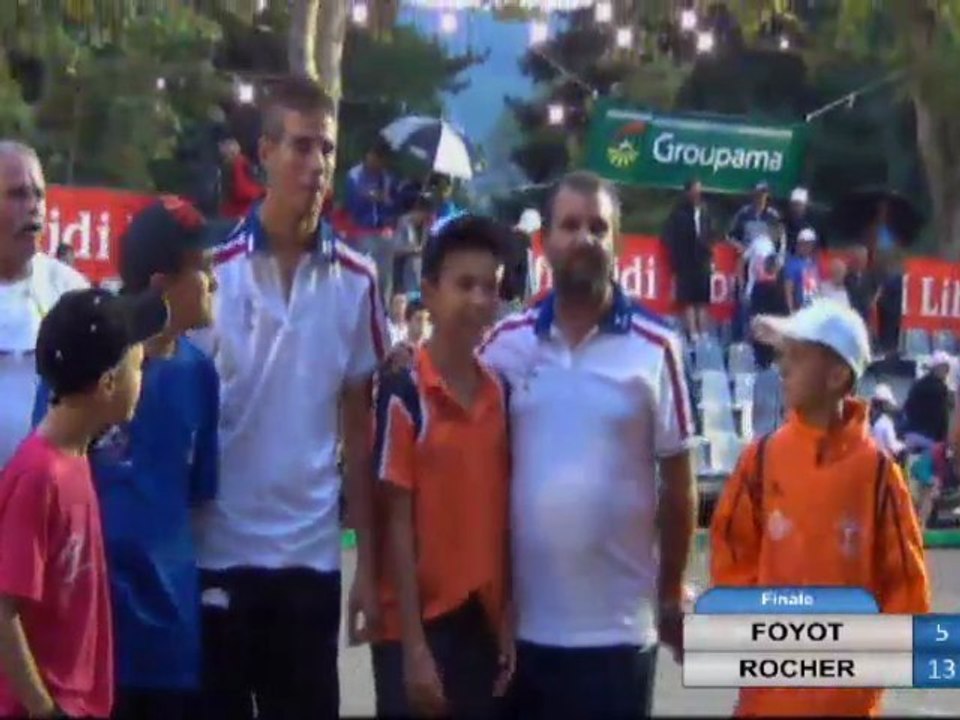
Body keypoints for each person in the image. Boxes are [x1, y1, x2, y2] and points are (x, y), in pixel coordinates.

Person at [196, 77, 388, 720]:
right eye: (301, 147)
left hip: (309, 560)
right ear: (265, 153)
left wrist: (367, 565)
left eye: (328, 149)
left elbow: (360, 433)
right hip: (217, 552)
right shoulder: (210, 274)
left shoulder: (358, 282)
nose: (317, 165)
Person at [481, 171, 697, 717]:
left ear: (617, 243)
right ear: (546, 241)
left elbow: (679, 485)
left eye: (599, 227)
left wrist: (670, 591)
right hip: (523, 632)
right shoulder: (505, 345)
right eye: (570, 225)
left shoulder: (658, 348)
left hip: (620, 633)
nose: (584, 239)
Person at [33, 199, 220, 720]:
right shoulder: (82, 370)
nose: (215, 283)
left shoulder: (200, 373)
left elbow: (199, 492)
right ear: (162, 286)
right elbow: (47, 480)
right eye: (204, 271)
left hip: (172, 642)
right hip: (89, 638)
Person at [711, 299, 931, 717]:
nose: (782, 367)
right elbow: (732, 559)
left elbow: (905, 586)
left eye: (796, 356)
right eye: (782, 355)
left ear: (836, 375)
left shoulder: (878, 474)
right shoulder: (760, 460)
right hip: (767, 701)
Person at [0, 287, 168, 719]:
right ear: (108, 383)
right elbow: (3, 608)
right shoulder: (39, 475)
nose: (143, 369)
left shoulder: (76, 457)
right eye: (136, 363)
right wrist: (43, 709)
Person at [371, 214, 513, 718]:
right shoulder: (405, 390)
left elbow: (503, 521)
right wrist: (412, 649)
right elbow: (397, 524)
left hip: (481, 626)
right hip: (417, 630)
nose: (479, 300)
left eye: (490, 287)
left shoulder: (502, 393)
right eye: (464, 285)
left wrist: (508, 626)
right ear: (429, 293)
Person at [0, 141, 88, 468]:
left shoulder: (69, 291)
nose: (34, 206)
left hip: (46, 501)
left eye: (39, 194)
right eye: (18, 194)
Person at [663, 178, 714, 341]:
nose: (697, 194)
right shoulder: (679, 213)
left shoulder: (705, 211)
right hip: (686, 261)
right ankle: (693, 334)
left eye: (699, 190)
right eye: (694, 191)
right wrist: (676, 259)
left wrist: (709, 251)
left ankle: (704, 334)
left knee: (703, 300)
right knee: (688, 300)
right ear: (687, 193)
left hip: (703, 261)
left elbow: (711, 233)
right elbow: (669, 236)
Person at [346, 139, 396, 300]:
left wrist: (387, 201)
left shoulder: (387, 179)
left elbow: (393, 204)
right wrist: (369, 196)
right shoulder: (355, 174)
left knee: (383, 277)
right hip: (362, 231)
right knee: (362, 275)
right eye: (375, 157)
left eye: (381, 160)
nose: (377, 162)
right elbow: (351, 200)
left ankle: (383, 310)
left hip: (383, 232)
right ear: (369, 155)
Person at [902, 351, 953, 453]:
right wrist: (944, 442)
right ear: (935, 368)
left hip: (910, 435)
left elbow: (907, 407)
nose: (946, 372)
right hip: (929, 439)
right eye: (944, 368)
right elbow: (943, 417)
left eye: (946, 369)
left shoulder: (918, 383)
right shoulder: (941, 389)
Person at [392, 192, 433, 295]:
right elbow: (396, 249)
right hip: (403, 272)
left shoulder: (427, 226)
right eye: (424, 213)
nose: (425, 217)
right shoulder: (404, 223)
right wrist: (414, 250)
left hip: (419, 273)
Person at [728, 180, 781, 252]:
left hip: (766, 256)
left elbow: (779, 239)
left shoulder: (773, 215)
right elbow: (732, 236)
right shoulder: (743, 213)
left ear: (767, 195)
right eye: (757, 194)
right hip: (746, 255)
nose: (760, 197)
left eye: (763, 194)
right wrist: (740, 247)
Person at [218, 137, 264, 220]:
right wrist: (261, 191)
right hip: (242, 212)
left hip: (228, 213)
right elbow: (242, 191)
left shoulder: (223, 165)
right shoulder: (239, 162)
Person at [783, 227, 820, 312]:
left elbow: (818, 284)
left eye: (810, 244)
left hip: (816, 306)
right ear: (799, 245)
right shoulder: (792, 264)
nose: (807, 247)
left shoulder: (814, 262)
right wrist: (791, 310)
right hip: (801, 308)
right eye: (804, 244)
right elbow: (788, 289)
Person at [870, 383, 905, 460]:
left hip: (871, 458)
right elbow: (892, 446)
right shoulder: (886, 422)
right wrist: (904, 446)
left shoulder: (867, 418)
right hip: (884, 461)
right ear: (885, 404)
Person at [783, 186, 816, 256]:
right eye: (794, 204)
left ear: (804, 207)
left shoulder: (809, 228)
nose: (796, 208)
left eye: (799, 205)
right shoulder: (782, 223)